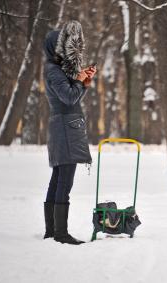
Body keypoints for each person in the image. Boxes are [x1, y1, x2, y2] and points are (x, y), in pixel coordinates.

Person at [43, 21, 97, 245]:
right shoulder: (53, 71)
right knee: (64, 181)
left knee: (57, 179)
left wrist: (82, 81)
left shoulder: (57, 70)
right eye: (63, 45)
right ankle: (61, 234)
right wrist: (80, 82)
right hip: (65, 127)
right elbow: (69, 98)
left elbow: (72, 97)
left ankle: (52, 231)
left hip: (66, 124)